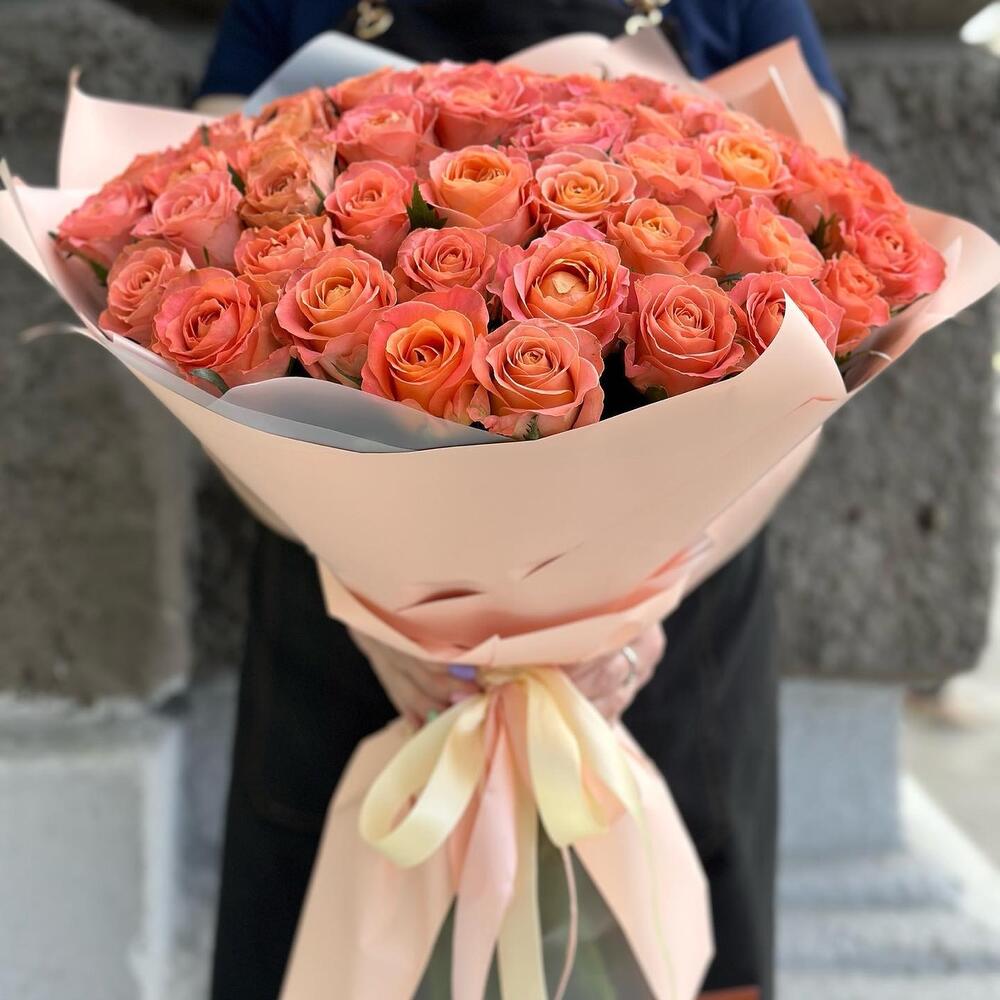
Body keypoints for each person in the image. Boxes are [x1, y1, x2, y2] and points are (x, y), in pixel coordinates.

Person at [197, 4, 844, 999]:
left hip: (660, 647)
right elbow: (196, 313)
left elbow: (822, 338)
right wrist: (373, 592)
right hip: (356, 644)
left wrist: (623, 609)